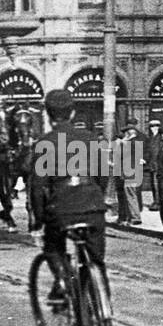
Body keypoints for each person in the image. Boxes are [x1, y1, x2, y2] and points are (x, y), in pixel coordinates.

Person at [29, 90, 107, 298]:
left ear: (48, 114)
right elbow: (103, 175)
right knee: (96, 260)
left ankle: (63, 278)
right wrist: (96, 195)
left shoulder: (44, 143)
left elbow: (37, 188)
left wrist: (38, 219)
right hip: (93, 206)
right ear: (73, 113)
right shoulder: (91, 138)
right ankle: (101, 311)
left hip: (62, 208)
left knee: (52, 246)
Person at [116, 124, 143, 226]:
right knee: (132, 194)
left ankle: (135, 217)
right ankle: (132, 216)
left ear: (128, 134)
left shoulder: (128, 144)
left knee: (130, 195)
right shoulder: (138, 142)